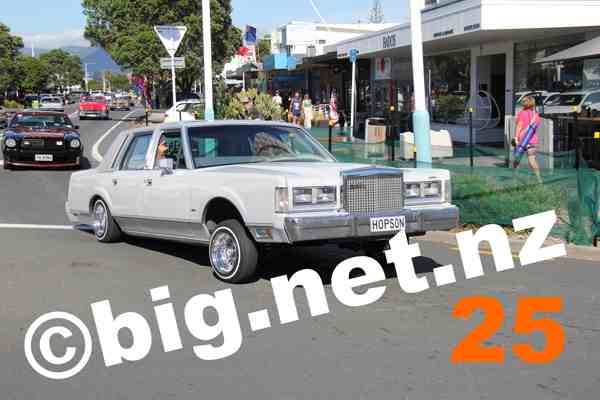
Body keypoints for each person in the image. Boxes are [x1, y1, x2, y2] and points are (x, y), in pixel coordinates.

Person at [514, 96, 542, 182]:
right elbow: (536, 126)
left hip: (522, 140)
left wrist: (516, 138)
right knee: (532, 160)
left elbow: (519, 126)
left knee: (517, 160)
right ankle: (539, 179)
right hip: (532, 140)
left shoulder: (521, 113)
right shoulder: (536, 115)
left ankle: (515, 179)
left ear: (524, 104)